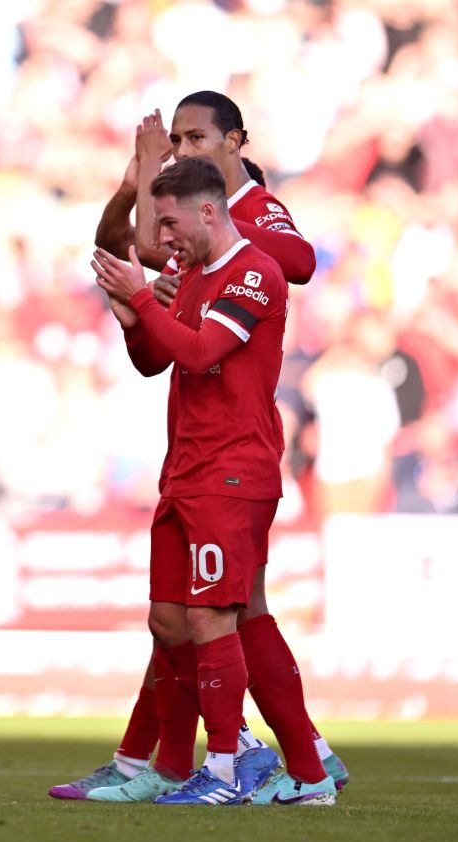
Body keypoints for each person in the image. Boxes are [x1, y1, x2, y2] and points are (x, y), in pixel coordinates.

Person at [50, 92, 344, 803]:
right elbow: (159, 359)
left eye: (172, 224)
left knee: (217, 614)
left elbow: (210, 347)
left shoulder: (250, 265)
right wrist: (132, 313)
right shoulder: (195, 270)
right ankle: (285, 766)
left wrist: (147, 297)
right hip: (185, 465)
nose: (162, 242)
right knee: (181, 616)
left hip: (233, 467)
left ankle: (226, 763)